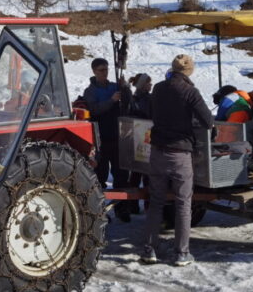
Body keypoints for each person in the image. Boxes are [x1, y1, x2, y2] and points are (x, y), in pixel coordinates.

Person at [140, 54, 213, 267]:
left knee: (156, 201)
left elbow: (152, 113)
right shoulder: (191, 92)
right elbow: (208, 121)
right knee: (183, 203)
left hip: (157, 151)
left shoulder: (159, 88)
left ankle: (150, 249)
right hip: (180, 153)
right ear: (189, 72)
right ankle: (181, 253)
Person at [83, 58, 129, 195]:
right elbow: (94, 109)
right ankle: (99, 207)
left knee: (121, 174)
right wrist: (111, 101)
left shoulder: (115, 86)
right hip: (100, 138)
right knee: (100, 174)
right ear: (94, 71)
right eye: (101, 70)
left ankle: (122, 208)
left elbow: (128, 103)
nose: (105, 73)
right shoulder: (90, 91)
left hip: (117, 136)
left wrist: (125, 88)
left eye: (106, 69)